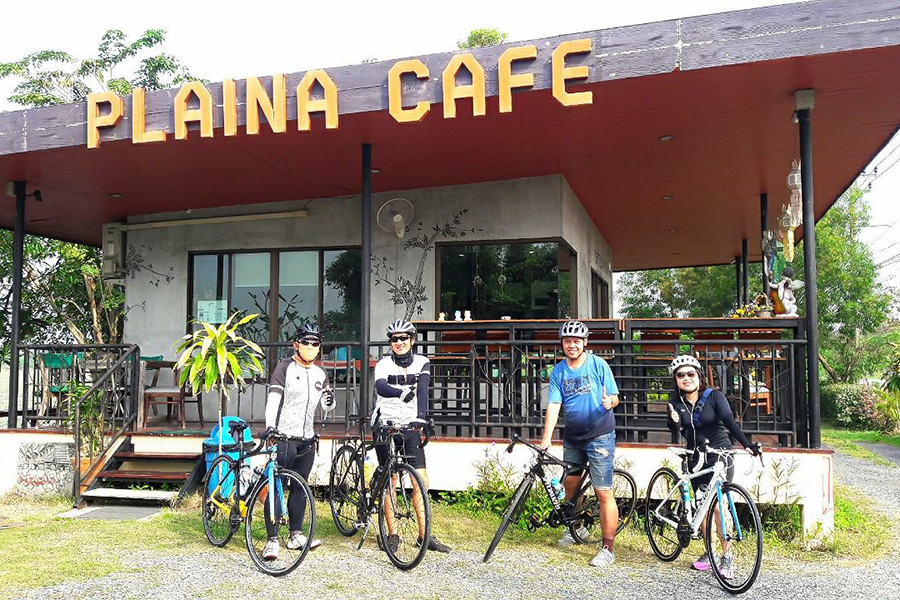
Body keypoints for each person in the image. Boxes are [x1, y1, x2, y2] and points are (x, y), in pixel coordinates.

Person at [666, 354, 761, 576]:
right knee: (702, 507)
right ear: (676, 379)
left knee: (719, 506)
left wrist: (747, 444)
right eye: (681, 375)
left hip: (720, 454)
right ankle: (710, 551)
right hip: (696, 456)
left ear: (698, 375)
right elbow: (674, 429)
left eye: (690, 374)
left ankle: (727, 556)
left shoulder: (714, 396)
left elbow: (729, 421)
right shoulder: (675, 402)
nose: (686, 378)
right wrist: (673, 420)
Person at [540, 319, 620, 567]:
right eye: (567, 341)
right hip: (573, 437)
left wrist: (610, 402)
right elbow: (554, 405)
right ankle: (576, 528)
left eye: (576, 341)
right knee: (571, 486)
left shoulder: (598, 364)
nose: (571, 345)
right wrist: (546, 439)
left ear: (584, 343)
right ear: (562, 344)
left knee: (603, 491)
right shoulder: (559, 371)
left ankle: (608, 548)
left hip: (600, 435)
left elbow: (615, 397)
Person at [372, 319, 451, 554]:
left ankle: (424, 536)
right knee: (391, 480)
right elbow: (381, 387)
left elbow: (424, 390)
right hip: (385, 424)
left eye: (403, 338)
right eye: (394, 339)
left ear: (412, 340)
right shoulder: (383, 364)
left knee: (421, 480)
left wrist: (422, 417)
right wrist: (401, 392)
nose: (399, 342)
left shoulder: (422, 362)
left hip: (410, 425)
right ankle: (393, 533)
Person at [261, 321, 335, 560]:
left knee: (300, 488)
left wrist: (329, 401)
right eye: (306, 342)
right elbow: (273, 399)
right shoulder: (284, 368)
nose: (311, 347)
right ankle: (272, 540)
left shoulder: (320, 373)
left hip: (307, 439)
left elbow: (326, 406)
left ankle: (296, 535)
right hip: (284, 436)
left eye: (315, 343)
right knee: (277, 486)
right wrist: (271, 428)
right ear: (296, 344)